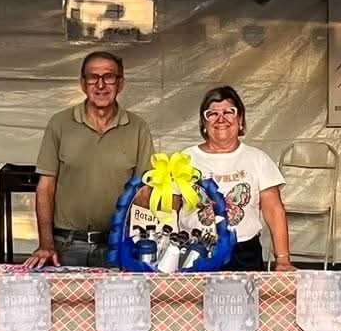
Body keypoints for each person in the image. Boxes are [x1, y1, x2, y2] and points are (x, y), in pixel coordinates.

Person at [28, 50, 156, 268]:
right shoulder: (60, 124)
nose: (101, 85)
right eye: (93, 78)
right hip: (66, 245)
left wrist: (140, 242)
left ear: (120, 83)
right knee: (63, 302)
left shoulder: (137, 128)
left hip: (117, 245)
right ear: (82, 83)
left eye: (109, 77)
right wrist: (46, 244)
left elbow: (144, 192)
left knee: (117, 303)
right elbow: (45, 187)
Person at [183, 86, 293, 272]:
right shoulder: (185, 159)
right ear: (203, 121)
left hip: (244, 254)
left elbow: (274, 210)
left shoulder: (257, 158)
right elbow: (169, 208)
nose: (221, 119)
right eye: (212, 113)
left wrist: (282, 259)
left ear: (240, 119)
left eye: (229, 112)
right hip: (195, 250)